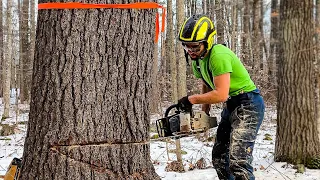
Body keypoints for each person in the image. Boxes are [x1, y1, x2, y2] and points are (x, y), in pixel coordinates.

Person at [177, 14, 265, 180]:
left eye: (195, 47)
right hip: (232, 105)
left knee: (239, 161)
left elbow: (221, 93)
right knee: (219, 158)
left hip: (248, 103)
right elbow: (207, 83)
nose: (191, 51)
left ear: (207, 41)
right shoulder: (198, 60)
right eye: (187, 47)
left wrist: (192, 99)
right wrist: (204, 113)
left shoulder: (219, 55)